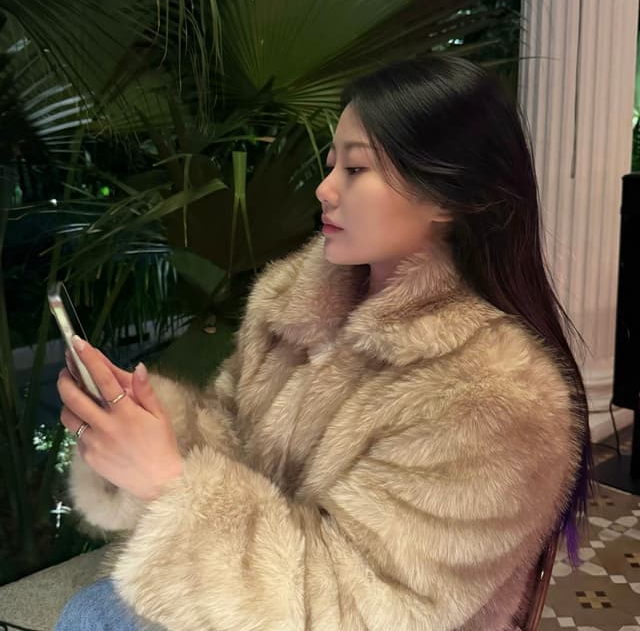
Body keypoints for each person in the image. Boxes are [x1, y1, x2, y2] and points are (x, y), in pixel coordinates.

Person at [54, 55, 592, 631]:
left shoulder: (497, 400)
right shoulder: (291, 304)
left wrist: (167, 483)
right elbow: (229, 433)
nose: (324, 189)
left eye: (356, 169)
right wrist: (149, 427)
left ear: (447, 195)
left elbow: (355, 608)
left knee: (94, 617)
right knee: (93, 613)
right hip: (248, 596)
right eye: (332, 164)